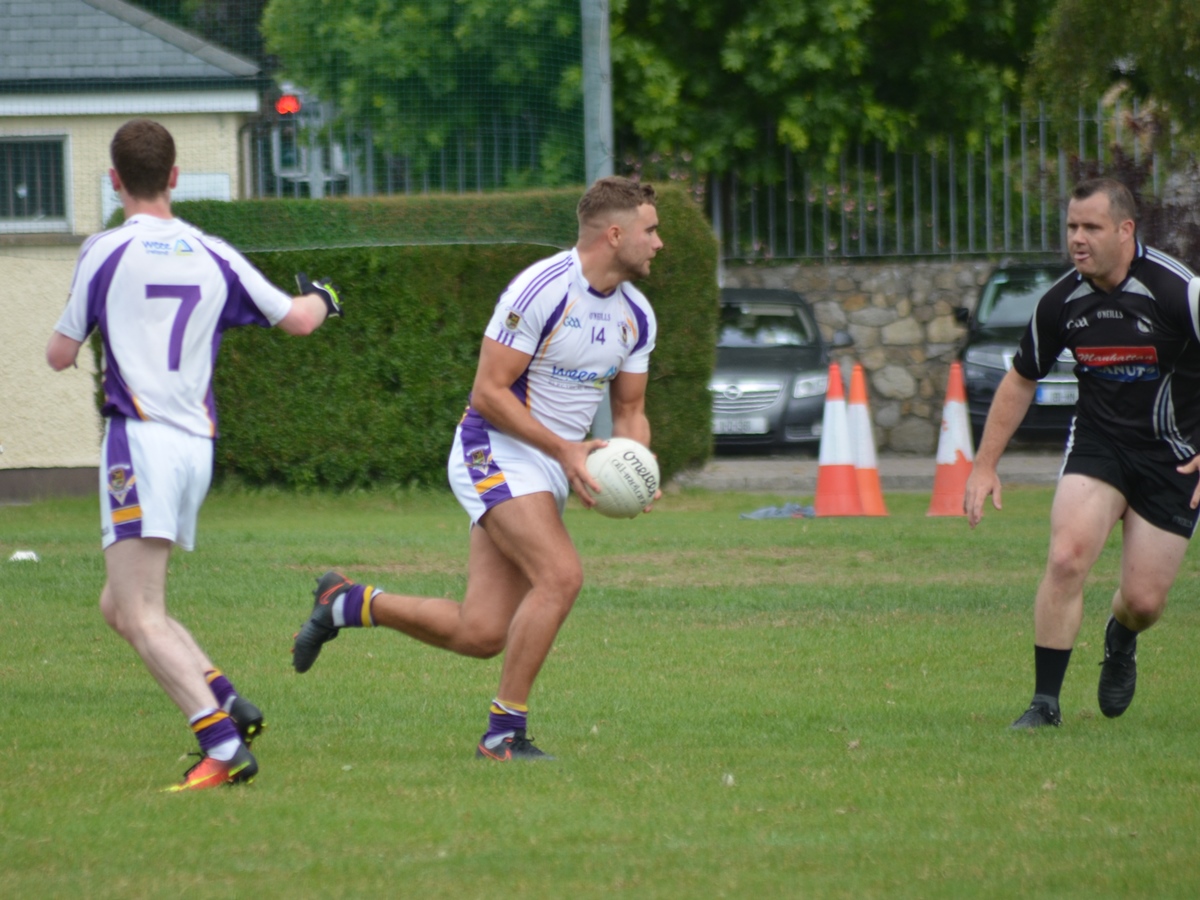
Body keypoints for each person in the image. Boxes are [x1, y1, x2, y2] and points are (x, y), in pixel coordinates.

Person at [291, 176, 663, 760]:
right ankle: (503, 734)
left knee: (482, 632)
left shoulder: (637, 315)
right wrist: (565, 451)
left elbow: (632, 410)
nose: (658, 242)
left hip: (549, 467)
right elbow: (489, 393)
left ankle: (347, 601)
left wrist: (639, 469)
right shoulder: (541, 288)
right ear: (615, 235)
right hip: (494, 448)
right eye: (650, 230)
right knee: (561, 576)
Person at [46, 118, 344, 790]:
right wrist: (325, 296)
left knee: (140, 611)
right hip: (195, 450)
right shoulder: (213, 252)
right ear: (174, 177)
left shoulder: (104, 251)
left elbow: (60, 354)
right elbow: (297, 319)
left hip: (139, 443)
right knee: (119, 606)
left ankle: (221, 742)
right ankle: (227, 698)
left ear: (115, 181)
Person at [964, 177, 1200, 729]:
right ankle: (1045, 703)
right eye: (1071, 226)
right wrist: (984, 464)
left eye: (1091, 227)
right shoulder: (1061, 302)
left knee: (1143, 603)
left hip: (1174, 457)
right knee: (1067, 556)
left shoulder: (1179, 292)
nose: (1077, 238)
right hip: (1099, 445)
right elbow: (1022, 378)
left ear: (1125, 230)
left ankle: (1121, 636)